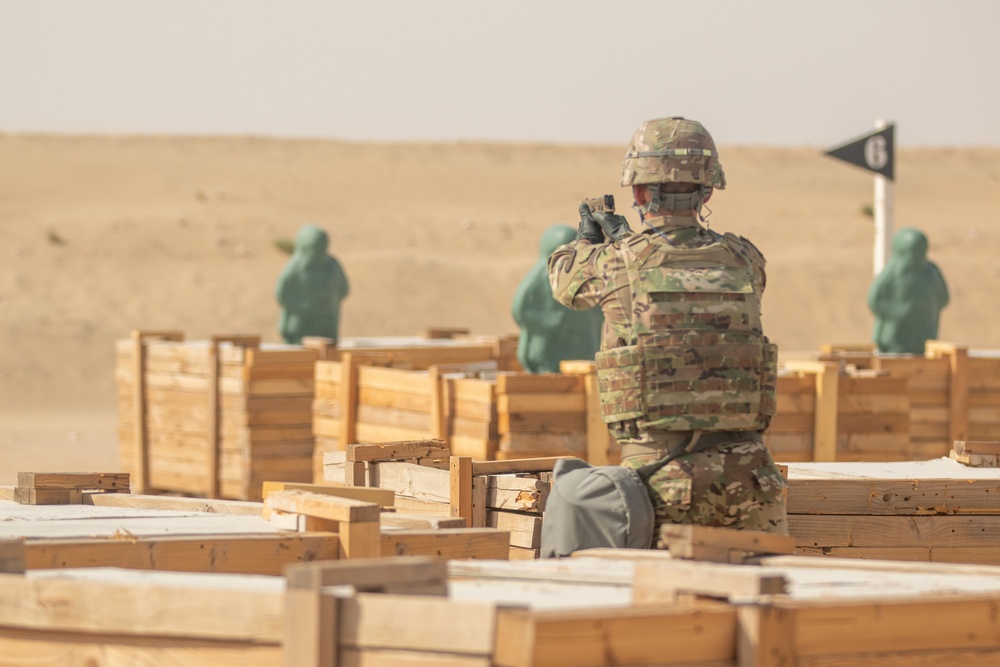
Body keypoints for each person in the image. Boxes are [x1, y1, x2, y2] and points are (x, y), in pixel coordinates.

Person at [548, 116, 787, 536]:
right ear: (708, 189)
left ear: (639, 191)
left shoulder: (616, 263)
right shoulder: (746, 259)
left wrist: (589, 239)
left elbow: (563, 281)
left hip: (662, 483)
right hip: (753, 482)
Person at [512, 224, 604, 373]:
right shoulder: (542, 277)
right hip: (546, 352)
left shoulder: (589, 279)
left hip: (584, 351)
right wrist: (552, 322)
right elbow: (522, 310)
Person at [868, 227, 949, 354]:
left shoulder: (930, 272)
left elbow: (944, 298)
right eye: (912, 252)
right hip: (894, 340)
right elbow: (875, 300)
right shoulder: (893, 272)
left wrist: (925, 309)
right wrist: (897, 313)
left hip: (925, 338)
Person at [275, 224, 350, 345]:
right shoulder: (296, 267)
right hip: (300, 326)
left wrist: (326, 303)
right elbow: (282, 294)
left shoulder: (331, 266)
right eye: (313, 248)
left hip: (326, 326)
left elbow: (344, 289)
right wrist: (302, 307)